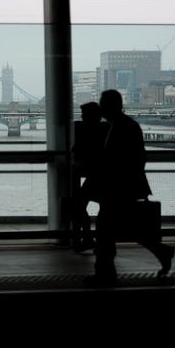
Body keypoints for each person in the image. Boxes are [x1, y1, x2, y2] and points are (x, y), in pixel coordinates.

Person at [86, 89, 175, 286]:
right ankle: (161, 251)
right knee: (124, 229)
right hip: (119, 189)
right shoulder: (116, 126)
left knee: (105, 231)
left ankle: (105, 274)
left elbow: (132, 159)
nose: (100, 107)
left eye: (103, 104)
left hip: (120, 189)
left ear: (112, 105)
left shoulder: (125, 127)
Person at [70, 101, 103, 252]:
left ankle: (89, 237)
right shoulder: (105, 129)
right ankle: (97, 240)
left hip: (95, 177)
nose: (82, 117)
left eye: (84, 114)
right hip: (101, 177)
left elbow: (77, 150)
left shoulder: (87, 132)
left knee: (78, 206)